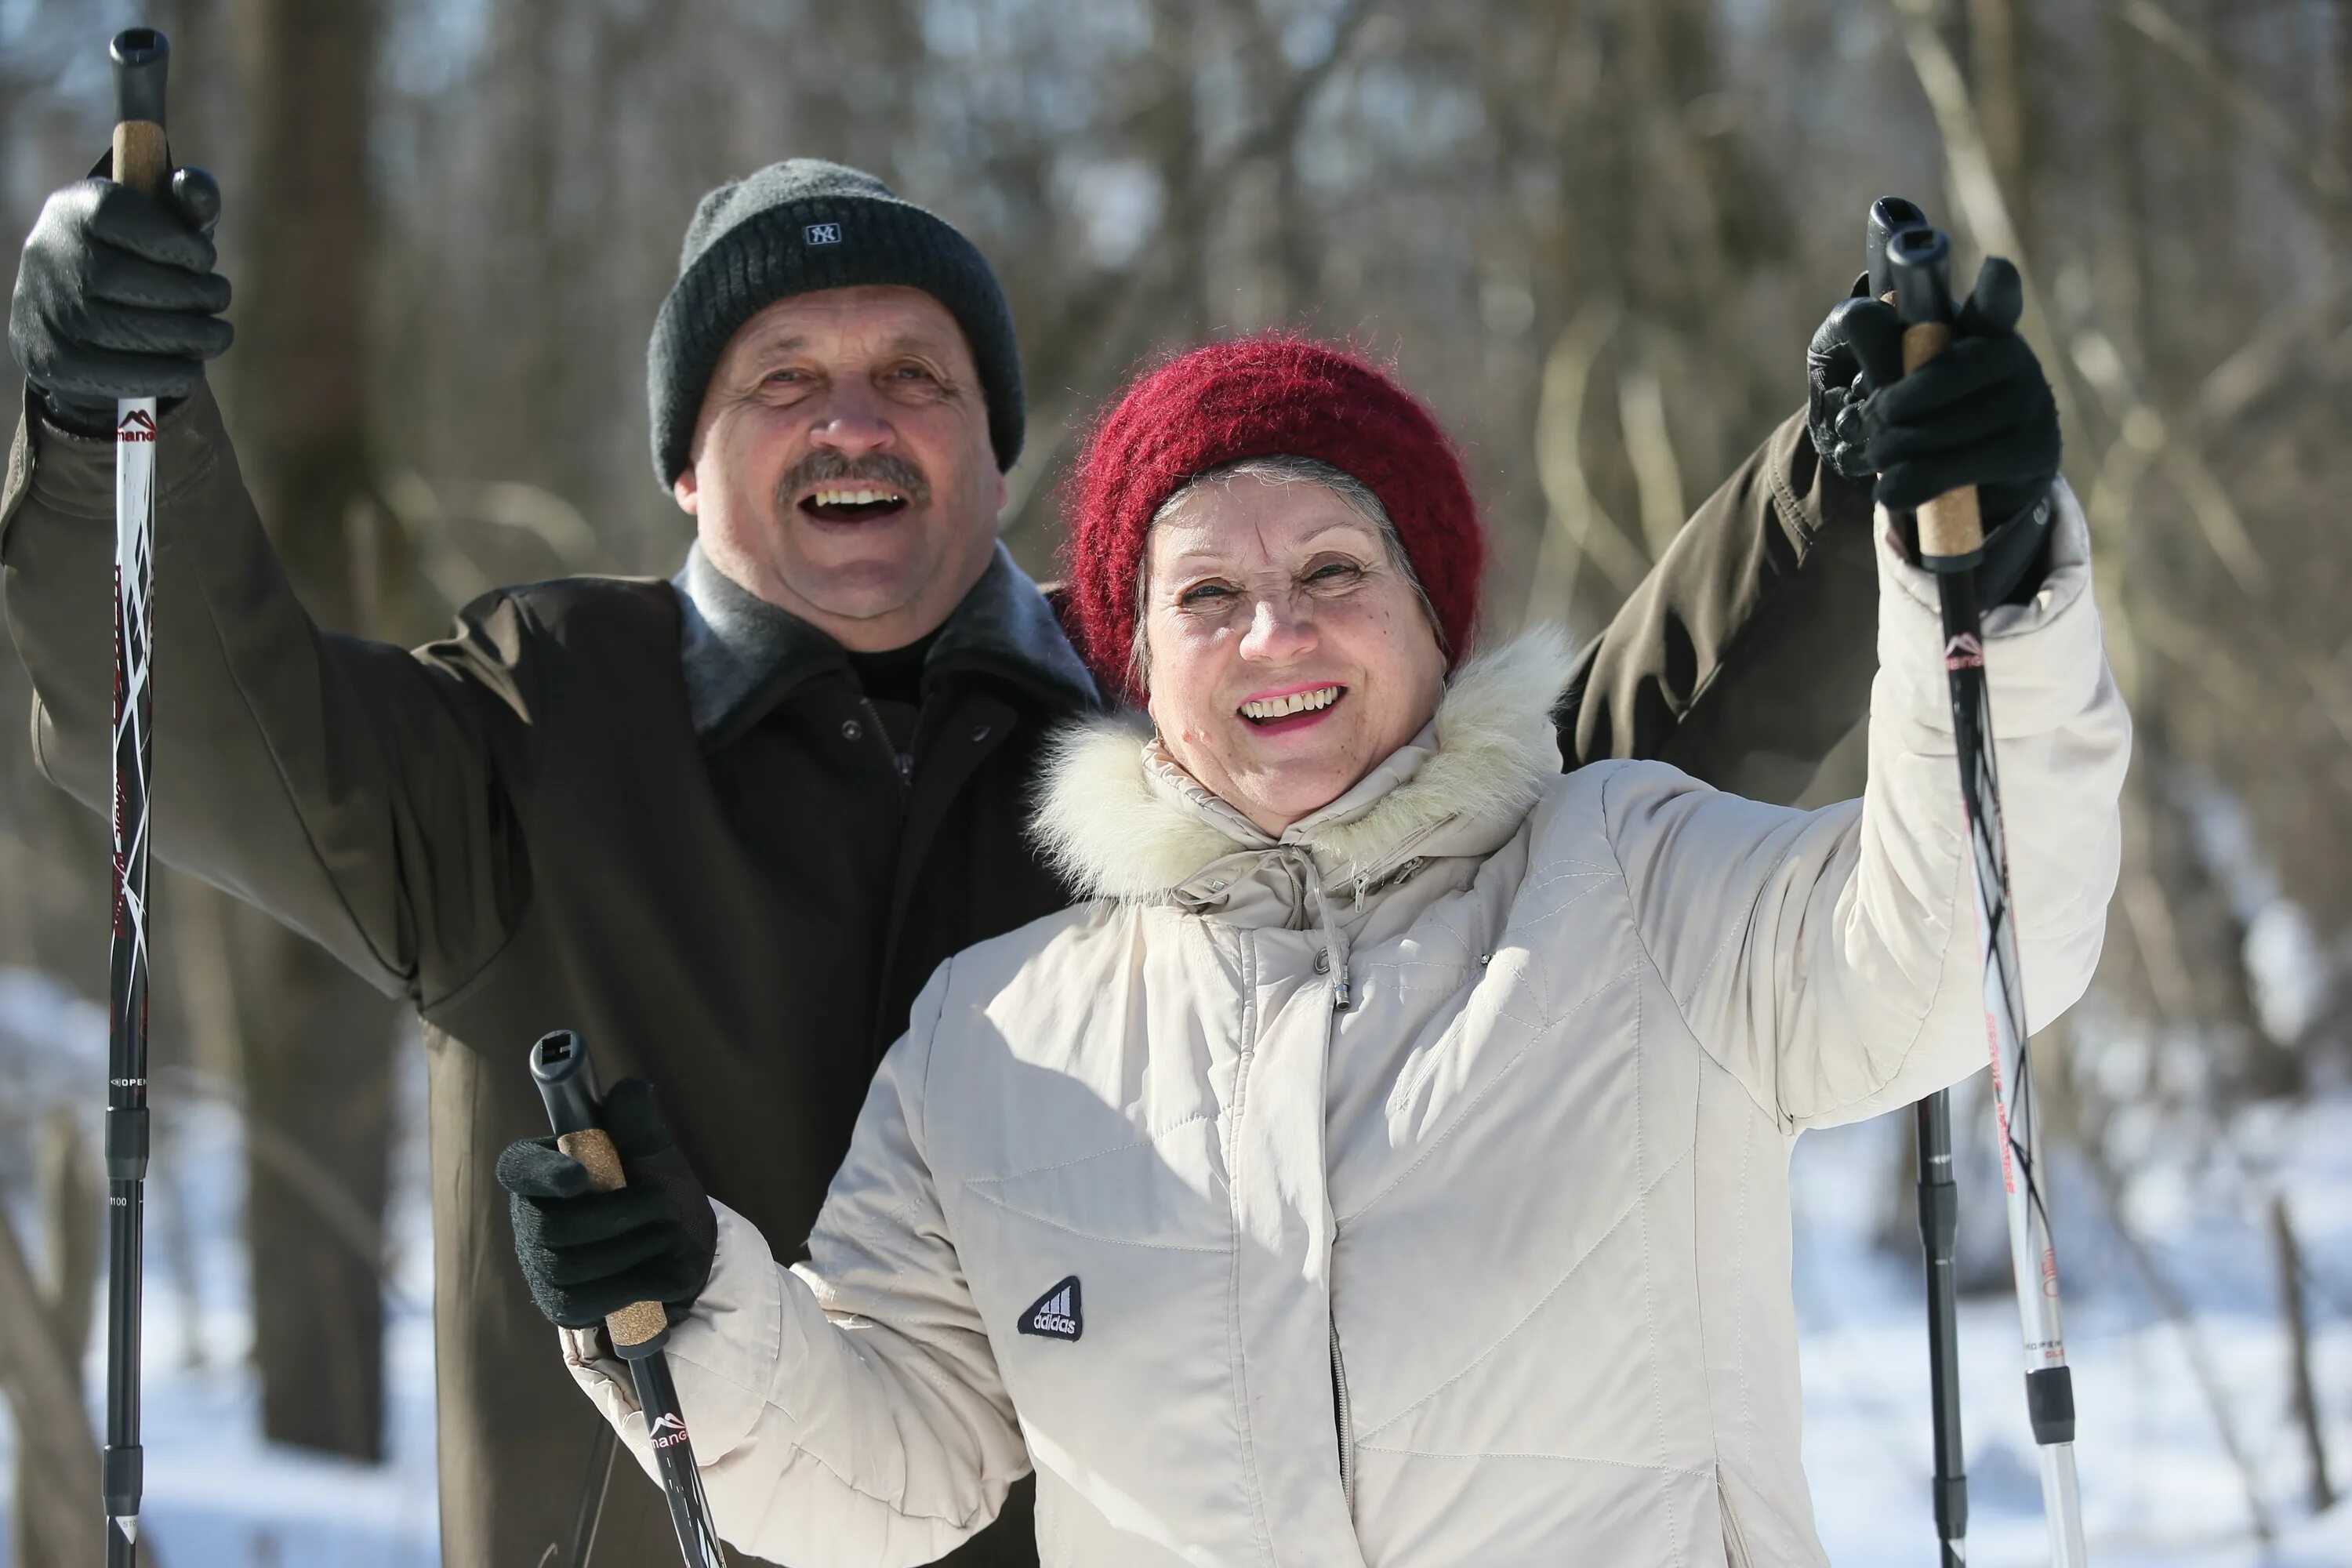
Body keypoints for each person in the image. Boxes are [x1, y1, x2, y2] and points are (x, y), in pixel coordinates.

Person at [4, 151, 2027, 1566]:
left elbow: (1547, 792)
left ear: (998, 453)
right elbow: (196, 722)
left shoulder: (1184, 722)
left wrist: (1840, 489)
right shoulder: (537, 735)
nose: (853, 415)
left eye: (917, 374)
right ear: (684, 466)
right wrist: (111, 425)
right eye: (781, 376)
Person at [501, 324, 2124, 1566]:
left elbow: (1960, 941)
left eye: (1335, 570)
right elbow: (878, 1469)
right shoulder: (995, 1036)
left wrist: (1972, 578)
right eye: (1207, 594)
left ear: (1436, 615)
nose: (1276, 634)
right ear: (1137, 661)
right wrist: (679, 1304)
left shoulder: (1635, 879)